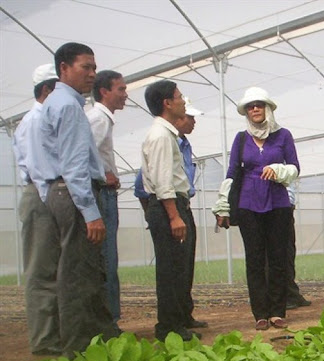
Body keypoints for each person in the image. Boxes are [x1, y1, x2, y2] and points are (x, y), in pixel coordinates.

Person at [38, 42, 118, 358]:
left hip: (64, 192)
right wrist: (90, 212)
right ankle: (78, 352)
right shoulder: (69, 106)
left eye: (94, 67)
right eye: (86, 67)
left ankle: (96, 345)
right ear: (64, 69)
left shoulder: (63, 102)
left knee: (85, 273)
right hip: (73, 196)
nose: (92, 74)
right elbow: (73, 165)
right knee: (78, 277)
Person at [213, 87, 299, 330]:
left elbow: (294, 167)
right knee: (255, 258)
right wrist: (223, 206)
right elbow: (232, 173)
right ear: (246, 112)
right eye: (250, 107)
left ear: (267, 108)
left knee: (278, 257)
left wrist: (279, 170)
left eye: (259, 105)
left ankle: (277, 311)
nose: (255, 109)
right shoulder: (241, 139)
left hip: (278, 202)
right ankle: (260, 313)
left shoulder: (283, 136)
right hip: (249, 203)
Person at [135, 98, 208, 330]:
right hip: (169, 207)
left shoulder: (180, 143)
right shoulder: (162, 137)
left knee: (183, 267)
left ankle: (183, 317)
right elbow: (157, 181)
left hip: (180, 204)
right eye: (190, 116)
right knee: (170, 269)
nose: (192, 120)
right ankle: (170, 326)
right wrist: (170, 215)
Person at [11, 64, 61, 355]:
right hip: (40, 197)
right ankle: (44, 341)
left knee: (55, 269)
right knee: (41, 271)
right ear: (46, 91)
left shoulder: (48, 119)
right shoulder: (34, 122)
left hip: (50, 196)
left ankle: (55, 335)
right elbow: (39, 169)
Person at [86, 70, 127, 330]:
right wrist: (104, 174)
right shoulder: (98, 118)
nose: (125, 94)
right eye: (120, 89)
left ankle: (107, 320)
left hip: (103, 191)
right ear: (104, 92)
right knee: (106, 260)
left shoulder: (101, 118)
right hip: (101, 193)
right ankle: (107, 323)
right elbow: (84, 152)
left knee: (106, 259)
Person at [285, 186, 311, 310]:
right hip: (276, 206)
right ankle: (284, 297)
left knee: (289, 252)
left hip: (287, 207)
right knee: (279, 254)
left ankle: (292, 293)